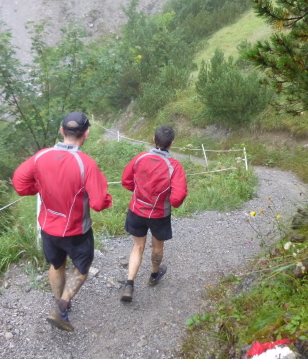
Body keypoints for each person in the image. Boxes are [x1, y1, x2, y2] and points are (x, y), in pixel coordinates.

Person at [12, 111, 112, 332]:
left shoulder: (41, 156)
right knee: (82, 267)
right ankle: (61, 308)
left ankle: (60, 305)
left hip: (48, 227)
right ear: (86, 134)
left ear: (61, 131)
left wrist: (38, 187)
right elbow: (98, 203)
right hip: (76, 230)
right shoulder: (86, 163)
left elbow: (19, 184)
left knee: (57, 264)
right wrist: (108, 200)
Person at [120, 125, 188, 302]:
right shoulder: (174, 166)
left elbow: (126, 181)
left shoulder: (140, 158)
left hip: (137, 210)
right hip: (159, 214)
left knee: (138, 247)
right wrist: (171, 202)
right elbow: (178, 196)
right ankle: (154, 275)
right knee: (157, 247)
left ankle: (129, 284)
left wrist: (138, 193)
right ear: (171, 143)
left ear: (153, 139)